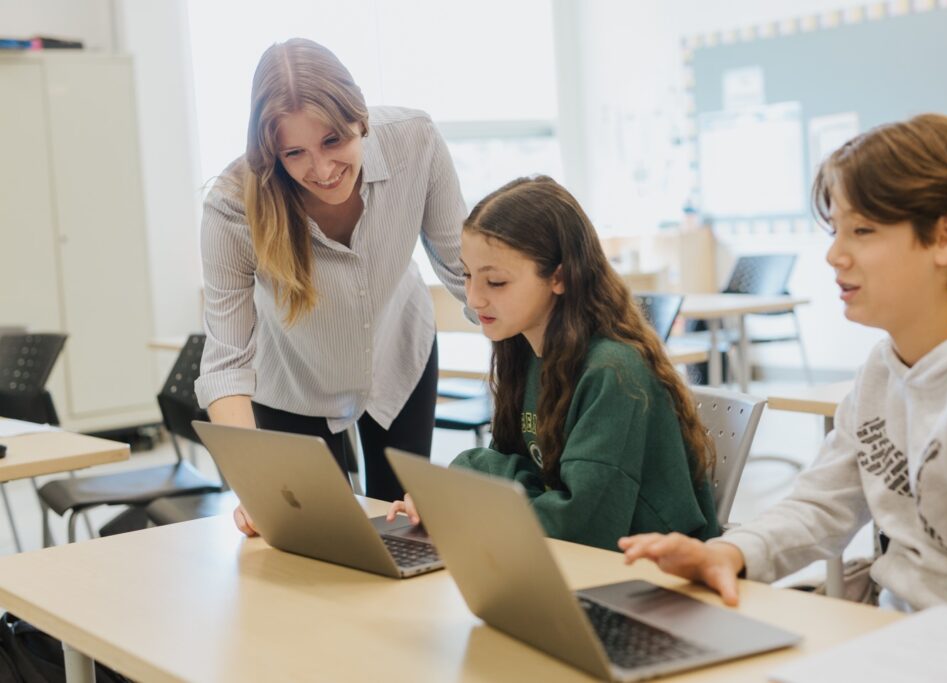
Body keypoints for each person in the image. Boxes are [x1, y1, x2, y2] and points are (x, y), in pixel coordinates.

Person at [620, 114, 947, 620]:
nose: (834, 254)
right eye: (835, 230)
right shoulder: (883, 367)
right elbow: (821, 505)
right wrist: (728, 553)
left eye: (862, 229)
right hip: (896, 627)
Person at [194, 38, 469, 536]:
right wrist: (255, 483)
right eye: (293, 153)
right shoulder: (233, 205)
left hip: (397, 357)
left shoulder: (415, 141)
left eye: (333, 142)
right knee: (316, 537)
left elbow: (465, 273)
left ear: (359, 117)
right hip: (293, 383)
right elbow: (226, 364)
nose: (320, 170)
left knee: (405, 528)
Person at [389, 176, 720, 552]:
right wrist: (453, 496)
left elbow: (580, 524)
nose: (475, 299)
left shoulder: (613, 372)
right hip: (568, 560)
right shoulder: (522, 349)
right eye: (466, 275)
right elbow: (515, 467)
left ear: (559, 277)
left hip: (650, 578)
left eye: (495, 282)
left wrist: (468, 481)